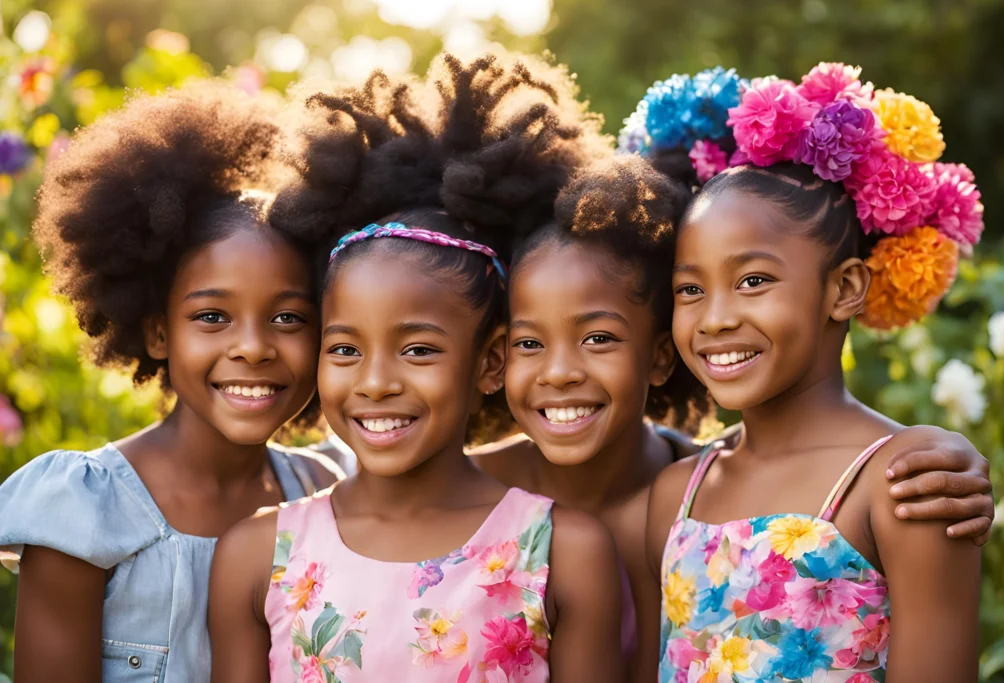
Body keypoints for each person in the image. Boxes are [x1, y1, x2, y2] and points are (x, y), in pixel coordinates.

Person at [208, 52, 623, 683]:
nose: (375, 382)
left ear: (489, 361)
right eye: (345, 349)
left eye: (418, 349)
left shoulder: (565, 553)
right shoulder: (257, 555)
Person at [644, 63, 984, 681]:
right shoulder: (677, 496)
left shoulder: (909, 482)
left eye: (753, 281)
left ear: (845, 288)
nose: (715, 318)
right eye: (689, 289)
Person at [0, 82, 342, 683]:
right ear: (157, 334)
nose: (253, 347)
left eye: (289, 317)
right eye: (212, 316)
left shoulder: (322, 492)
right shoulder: (83, 511)